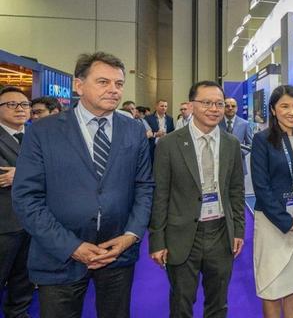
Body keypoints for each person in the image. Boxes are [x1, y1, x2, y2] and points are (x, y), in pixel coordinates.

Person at [12, 52, 154, 318]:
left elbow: (144, 186)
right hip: (59, 255)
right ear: (79, 85)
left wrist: (131, 235)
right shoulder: (43, 131)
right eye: (103, 82)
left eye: (119, 83)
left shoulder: (133, 129)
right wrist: (71, 247)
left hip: (117, 253)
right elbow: (26, 197)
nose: (114, 89)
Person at [149, 81, 245, 318]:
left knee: (218, 303)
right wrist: (157, 239)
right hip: (182, 234)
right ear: (192, 105)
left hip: (220, 233)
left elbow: (236, 191)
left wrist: (238, 230)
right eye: (207, 103)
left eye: (219, 104)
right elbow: (160, 194)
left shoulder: (231, 143)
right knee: (181, 302)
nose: (214, 109)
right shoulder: (169, 144)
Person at [251, 85, 293, 318]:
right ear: (273, 110)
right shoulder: (262, 140)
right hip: (272, 224)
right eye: (284, 106)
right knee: (272, 286)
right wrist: (287, 222)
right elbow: (261, 187)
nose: (292, 111)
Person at [0, 87, 34, 318]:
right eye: (11, 104)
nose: (20, 109)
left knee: (24, 279)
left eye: (24, 104)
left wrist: (20, 174)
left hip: (35, 223)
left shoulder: (37, 135)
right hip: (5, 224)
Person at [220, 97, 253, 174]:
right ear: (223, 108)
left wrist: (239, 153)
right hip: (220, 166)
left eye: (233, 106)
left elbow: (250, 145)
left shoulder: (245, 124)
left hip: (239, 166)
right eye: (227, 106)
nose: (230, 108)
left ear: (237, 108)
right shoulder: (216, 124)